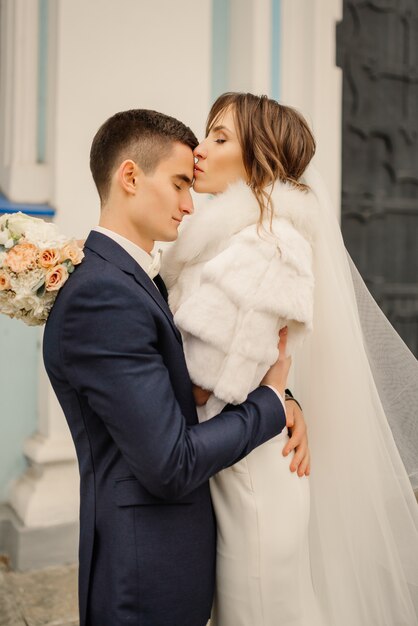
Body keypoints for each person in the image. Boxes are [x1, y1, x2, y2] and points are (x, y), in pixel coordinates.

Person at [42, 109, 309, 626]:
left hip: (171, 553)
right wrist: (271, 404)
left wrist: (286, 398)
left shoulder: (139, 278)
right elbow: (170, 462)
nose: (190, 205)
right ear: (130, 177)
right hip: (146, 569)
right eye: (180, 183)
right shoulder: (105, 295)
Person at [162, 92, 418, 625]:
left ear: (259, 159)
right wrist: (285, 396)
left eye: (220, 138)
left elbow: (206, 384)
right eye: (206, 133)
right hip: (241, 465)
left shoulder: (268, 245)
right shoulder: (236, 239)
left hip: (255, 485)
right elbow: (253, 363)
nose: (198, 148)